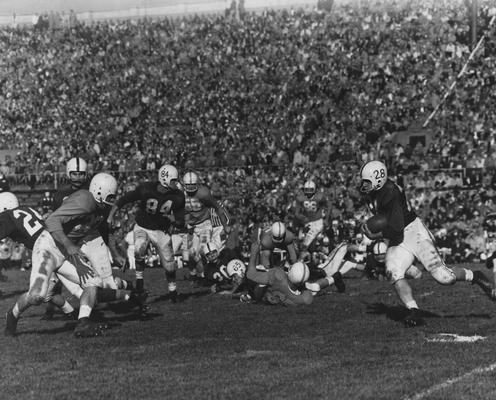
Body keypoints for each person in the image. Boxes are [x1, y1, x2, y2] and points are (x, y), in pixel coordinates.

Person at [358, 160, 491, 327]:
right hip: (398, 236)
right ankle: (414, 311)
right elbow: (373, 174)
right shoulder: (380, 185)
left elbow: (396, 228)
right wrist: (361, 164)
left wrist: (374, 234)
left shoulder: (390, 193)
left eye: (367, 182)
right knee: (393, 272)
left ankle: (476, 275)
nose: (364, 186)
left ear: (378, 180)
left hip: (413, 232)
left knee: (444, 278)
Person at [4, 182, 145, 338]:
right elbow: (51, 222)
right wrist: (69, 246)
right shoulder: (85, 201)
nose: (113, 200)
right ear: (99, 193)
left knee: (93, 281)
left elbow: (80, 234)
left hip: (65, 250)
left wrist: (78, 258)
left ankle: (83, 323)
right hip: (48, 246)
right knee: (37, 296)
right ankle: (12, 314)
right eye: (110, 197)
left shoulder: (98, 212)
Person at [107, 164, 185, 305]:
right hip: (143, 226)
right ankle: (139, 282)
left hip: (162, 230)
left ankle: (173, 291)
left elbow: (181, 220)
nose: (176, 183)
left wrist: (176, 221)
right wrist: (111, 215)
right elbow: (124, 200)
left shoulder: (178, 196)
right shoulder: (146, 189)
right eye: (174, 180)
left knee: (169, 264)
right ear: (165, 179)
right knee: (139, 247)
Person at [182, 171, 230, 279]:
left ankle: (206, 275)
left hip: (204, 224)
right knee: (188, 255)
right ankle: (194, 274)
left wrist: (225, 225)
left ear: (197, 184)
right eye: (187, 185)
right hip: (191, 227)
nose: (190, 188)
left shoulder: (203, 193)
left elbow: (218, 207)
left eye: (192, 185)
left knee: (203, 251)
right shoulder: (180, 193)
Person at [245, 242, 313, 306]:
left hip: (260, 292)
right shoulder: (305, 299)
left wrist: (254, 252)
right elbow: (307, 296)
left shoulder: (278, 276)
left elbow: (250, 275)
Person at [294, 180, 329, 254]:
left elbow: (327, 207)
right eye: (307, 190)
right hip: (307, 223)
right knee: (302, 240)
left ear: (315, 190)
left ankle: (321, 253)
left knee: (311, 241)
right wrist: (304, 219)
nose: (309, 192)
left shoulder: (320, 197)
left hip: (317, 221)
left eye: (311, 190)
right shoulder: (300, 198)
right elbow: (297, 213)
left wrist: (325, 217)